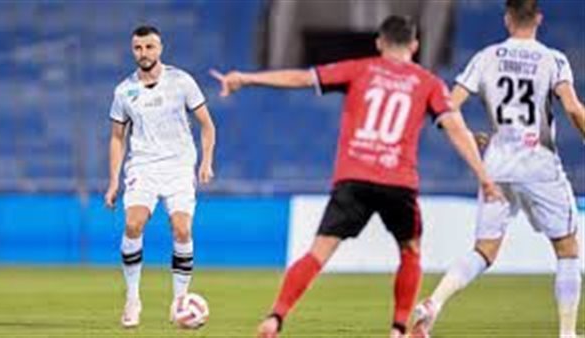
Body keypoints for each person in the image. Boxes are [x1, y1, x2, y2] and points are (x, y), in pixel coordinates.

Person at [212, 16, 502, 338]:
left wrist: (247, 78)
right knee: (410, 250)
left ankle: (275, 318)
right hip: (399, 181)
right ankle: (397, 329)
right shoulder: (429, 82)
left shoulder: (360, 69)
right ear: (415, 45)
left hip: (354, 177)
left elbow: (301, 78)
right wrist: (484, 177)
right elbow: (456, 128)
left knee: (318, 252)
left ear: (379, 42)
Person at [411, 1, 585, 337]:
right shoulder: (553, 59)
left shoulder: (486, 57)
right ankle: (566, 333)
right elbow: (574, 109)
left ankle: (434, 303)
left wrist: (464, 134)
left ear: (507, 19)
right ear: (538, 19)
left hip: (496, 166)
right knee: (567, 247)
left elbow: (446, 106)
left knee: (484, 250)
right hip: (539, 166)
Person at [104, 25, 216, 328]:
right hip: (143, 166)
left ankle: (180, 301)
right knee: (133, 223)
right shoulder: (124, 91)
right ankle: (132, 298)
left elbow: (207, 125)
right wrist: (114, 180)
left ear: (160, 48)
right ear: (133, 51)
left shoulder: (182, 82)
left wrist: (206, 161)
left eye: (149, 47)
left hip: (179, 166)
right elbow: (117, 137)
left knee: (181, 229)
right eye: (138, 48)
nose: (144, 53)